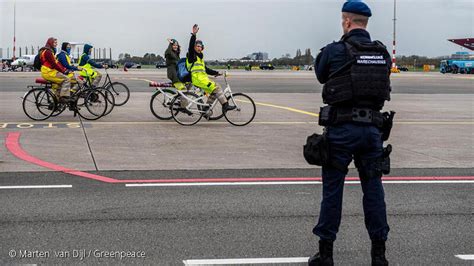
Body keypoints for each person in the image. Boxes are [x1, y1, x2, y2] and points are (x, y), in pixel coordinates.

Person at [309, 1, 392, 266]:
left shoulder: (334, 51)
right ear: (365, 23)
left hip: (341, 131)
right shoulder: (382, 53)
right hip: (372, 131)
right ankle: (379, 256)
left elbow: (321, 75)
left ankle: (326, 254)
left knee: (333, 192)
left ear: (346, 21)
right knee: (374, 191)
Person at [186, 24, 235, 116]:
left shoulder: (200, 58)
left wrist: (217, 73)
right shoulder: (191, 56)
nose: (199, 47)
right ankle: (225, 105)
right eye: (197, 46)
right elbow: (190, 46)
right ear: (194, 47)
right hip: (197, 79)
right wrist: (193, 35)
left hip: (203, 79)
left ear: (202, 48)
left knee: (215, 89)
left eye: (200, 46)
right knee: (216, 88)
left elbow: (206, 70)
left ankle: (206, 108)